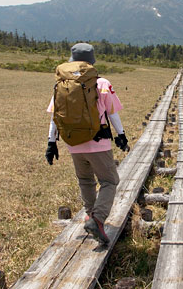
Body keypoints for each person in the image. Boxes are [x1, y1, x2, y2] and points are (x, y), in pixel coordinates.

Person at [45, 43, 128, 245]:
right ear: (92, 61)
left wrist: (51, 143)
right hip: (98, 142)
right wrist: (121, 134)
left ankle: (91, 217)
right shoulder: (101, 83)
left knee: (86, 181)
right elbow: (112, 113)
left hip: (73, 142)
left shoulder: (63, 84)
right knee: (109, 181)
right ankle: (98, 219)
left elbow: (55, 116)